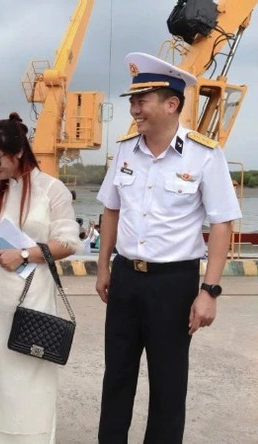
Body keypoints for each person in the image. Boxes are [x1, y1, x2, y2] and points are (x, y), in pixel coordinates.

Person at [96, 53, 241, 443]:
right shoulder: (126, 149)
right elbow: (111, 209)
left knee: (168, 385)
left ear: (171, 104)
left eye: (141, 100)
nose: (133, 109)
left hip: (173, 284)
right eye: (133, 101)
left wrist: (208, 292)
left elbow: (221, 224)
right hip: (126, 277)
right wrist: (104, 266)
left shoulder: (204, 154)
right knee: (117, 379)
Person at [0, 112, 79, 443]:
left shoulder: (51, 189)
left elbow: (68, 242)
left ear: (17, 152)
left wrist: (26, 253)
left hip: (33, 299)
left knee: (29, 379)